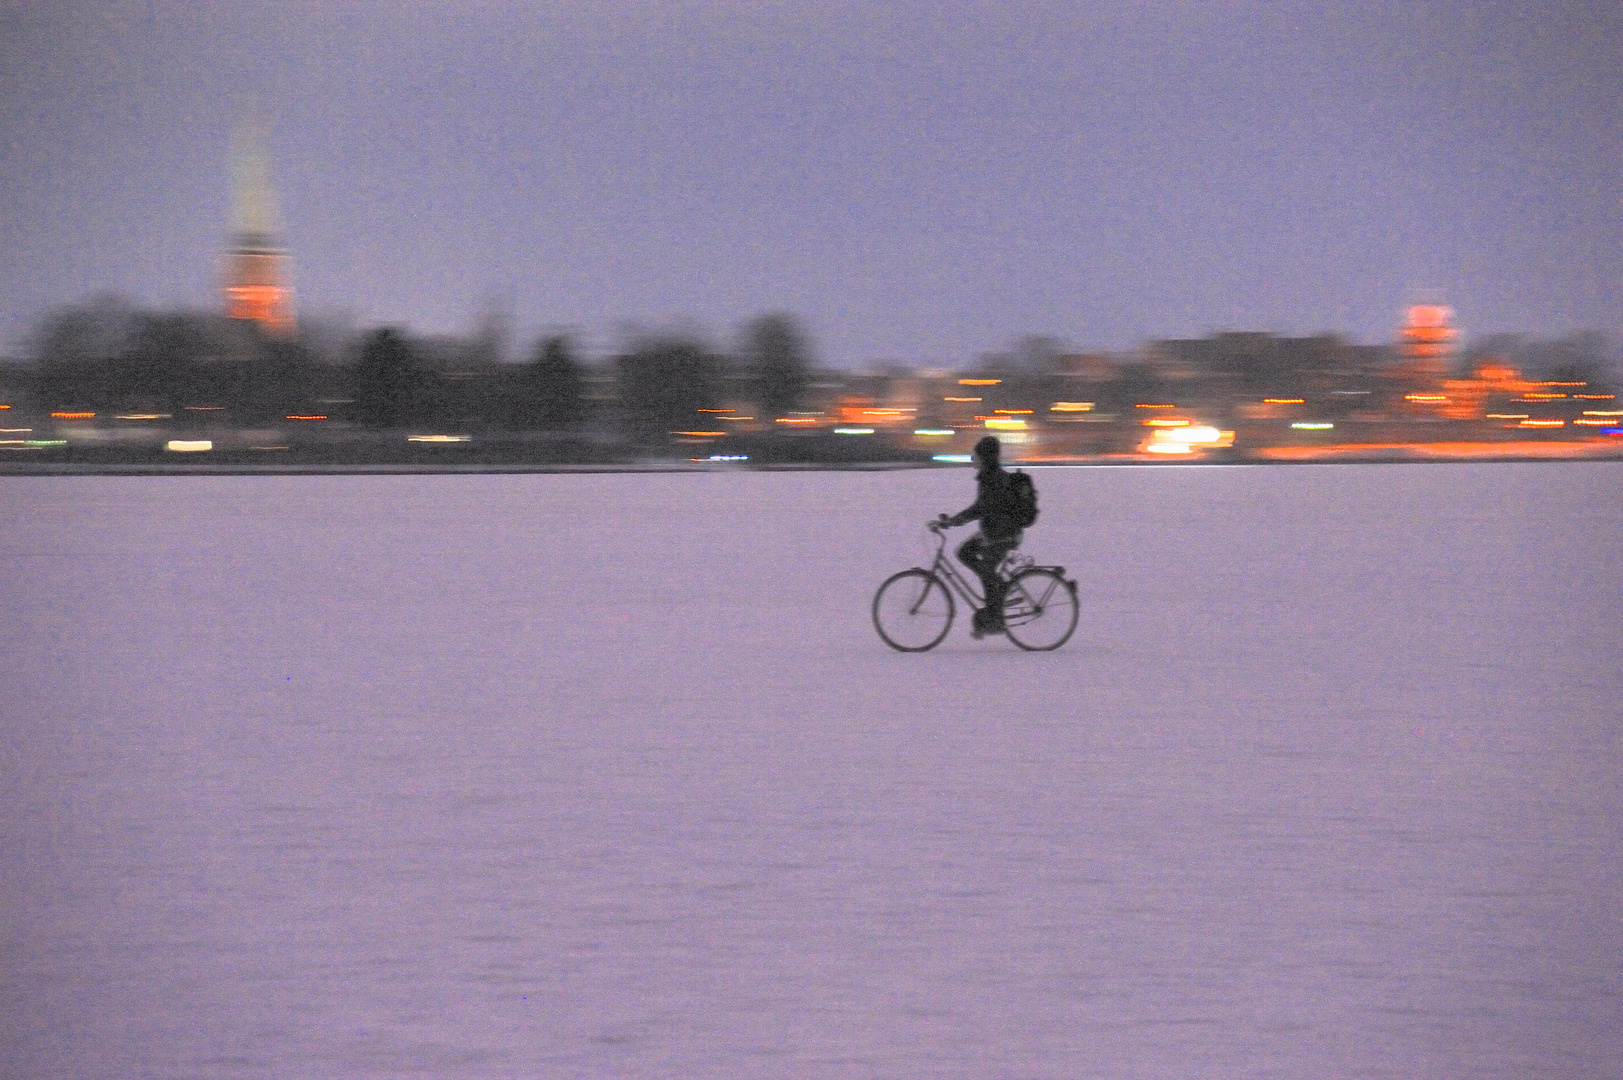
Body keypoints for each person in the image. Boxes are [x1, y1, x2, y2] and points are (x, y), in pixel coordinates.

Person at [938, 435, 1024, 636]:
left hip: (1004, 535)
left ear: (985, 457)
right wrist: (954, 520)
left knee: (986, 568)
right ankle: (996, 591)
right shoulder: (988, 477)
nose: (973, 459)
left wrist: (954, 521)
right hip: (993, 532)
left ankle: (996, 616)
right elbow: (981, 508)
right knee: (965, 552)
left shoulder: (994, 479)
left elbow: (980, 509)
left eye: (976, 455)